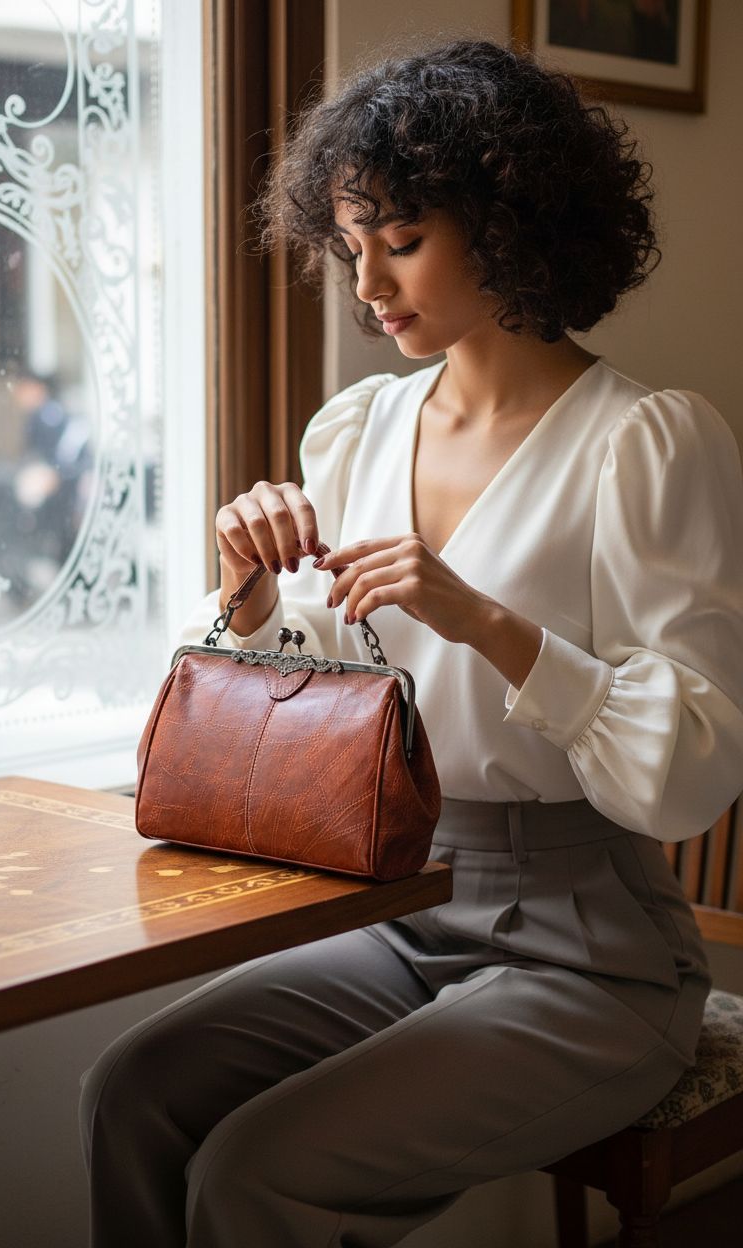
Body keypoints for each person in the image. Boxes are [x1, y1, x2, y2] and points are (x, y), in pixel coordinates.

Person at [79, 38, 743, 1247]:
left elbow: (691, 770)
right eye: (350, 248)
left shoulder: (645, 441)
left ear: (508, 224)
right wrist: (246, 596)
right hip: (391, 906)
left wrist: (486, 622)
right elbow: (330, 688)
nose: (368, 283)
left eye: (401, 239)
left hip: (592, 951)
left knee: (254, 1174)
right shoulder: (357, 429)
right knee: (131, 1092)